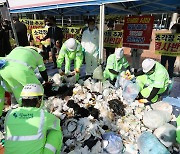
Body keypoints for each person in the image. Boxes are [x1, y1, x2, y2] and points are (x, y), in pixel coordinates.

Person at [4, 84, 63, 153]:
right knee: (56, 132)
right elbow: (57, 123)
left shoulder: (10, 114)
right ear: (39, 100)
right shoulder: (43, 115)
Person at [0, 46, 48, 116]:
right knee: (38, 89)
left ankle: (24, 112)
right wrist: (46, 80)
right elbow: (43, 71)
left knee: (18, 91)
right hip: (21, 71)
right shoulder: (37, 55)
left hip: (4, 71)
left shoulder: (17, 48)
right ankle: (40, 112)